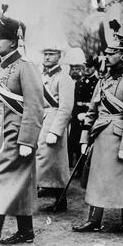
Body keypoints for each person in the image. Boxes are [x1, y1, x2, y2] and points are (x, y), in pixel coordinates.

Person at [0, 5, 44, 246]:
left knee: (0, 183)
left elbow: (35, 107)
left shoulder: (26, 68)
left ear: (14, 41)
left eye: (1, 38)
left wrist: (27, 140)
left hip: (15, 137)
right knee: (16, 184)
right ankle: (26, 230)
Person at [72, 34, 123, 233]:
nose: (107, 56)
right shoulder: (103, 82)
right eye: (107, 53)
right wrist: (84, 138)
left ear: (122, 57)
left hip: (121, 139)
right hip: (101, 137)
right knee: (98, 180)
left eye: (112, 53)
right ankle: (94, 220)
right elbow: (92, 112)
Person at [36, 38, 75, 213]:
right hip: (40, 119)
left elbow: (66, 108)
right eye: (45, 54)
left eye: (51, 54)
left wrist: (56, 131)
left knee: (56, 163)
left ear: (59, 56)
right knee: (40, 160)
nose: (47, 57)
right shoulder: (41, 76)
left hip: (53, 121)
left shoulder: (64, 78)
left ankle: (61, 199)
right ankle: (42, 189)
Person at [68, 55, 99, 170]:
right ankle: (74, 166)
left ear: (94, 68)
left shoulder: (97, 82)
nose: (87, 69)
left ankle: (83, 168)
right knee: (74, 140)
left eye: (90, 67)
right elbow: (75, 99)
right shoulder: (79, 82)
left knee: (85, 140)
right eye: (86, 66)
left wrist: (88, 114)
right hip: (77, 112)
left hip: (89, 113)